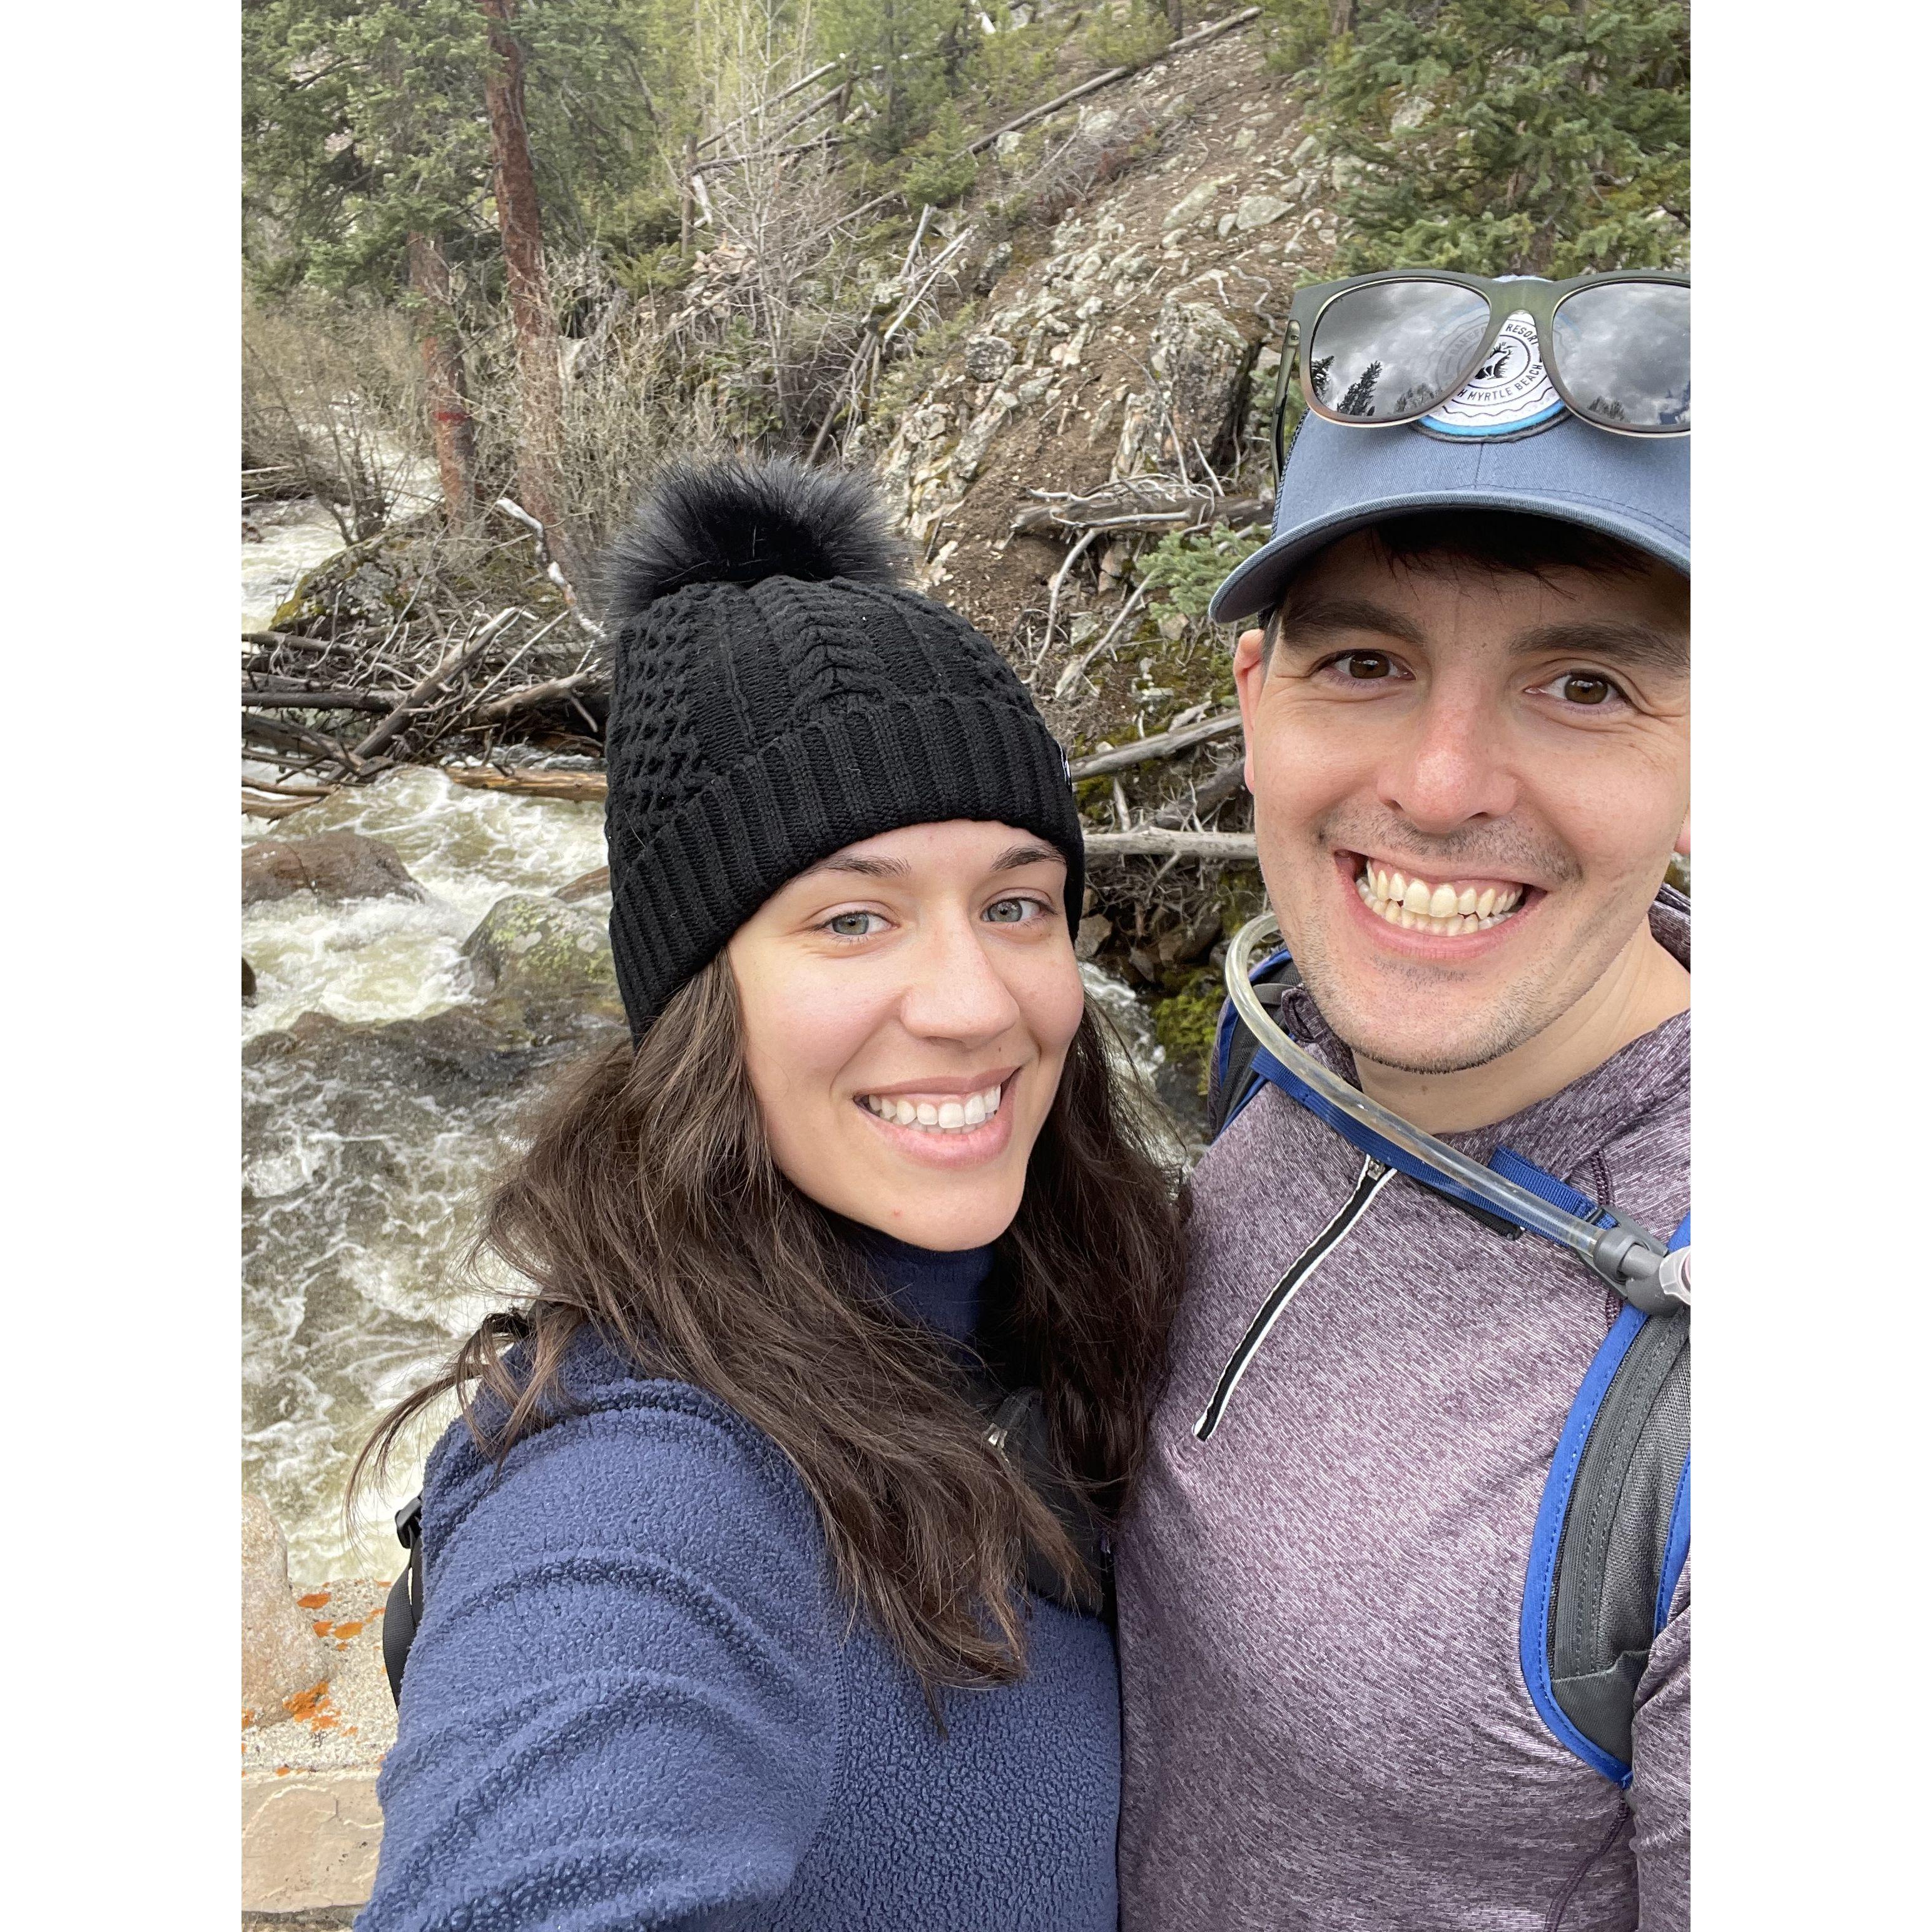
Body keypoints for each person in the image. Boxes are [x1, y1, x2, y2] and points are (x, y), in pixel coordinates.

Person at [356, 458, 1185, 1931]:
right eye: (851, 917)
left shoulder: (1084, 1294)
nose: (971, 1001)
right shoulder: (639, 1486)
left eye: (1014, 903)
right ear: (698, 996)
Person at [1115, 272, 1691, 1930]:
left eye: (1585, 686)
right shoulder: (1287, 1059)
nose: (1438, 787)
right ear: (1253, 694)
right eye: (1364, 661)